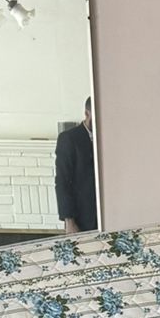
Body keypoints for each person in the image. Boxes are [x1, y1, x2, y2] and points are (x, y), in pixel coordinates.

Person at [55, 96, 98, 233]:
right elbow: (62, 182)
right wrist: (69, 221)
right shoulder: (68, 139)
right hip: (81, 219)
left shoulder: (111, 137)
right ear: (87, 113)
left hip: (110, 216)